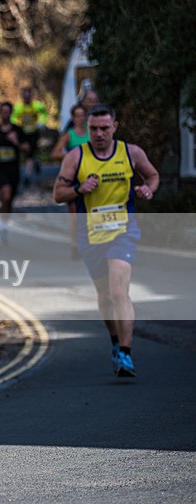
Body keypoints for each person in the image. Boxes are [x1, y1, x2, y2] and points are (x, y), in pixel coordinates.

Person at [53, 104, 159, 377]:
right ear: (87, 129)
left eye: (104, 128)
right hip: (91, 235)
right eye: (93, 129)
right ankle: (115, 342)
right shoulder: (76, 157)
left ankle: (125, 352)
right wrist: (79, 188)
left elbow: (153, 175)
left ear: (115, 127)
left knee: (118, 292)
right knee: (103, 296)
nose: (98, 134)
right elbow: (58, 194)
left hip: (123, 232)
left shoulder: (130, 153)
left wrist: (148, 189)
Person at [0, 102, 29, 244]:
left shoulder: (17, 130)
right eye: (3, 111)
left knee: (10, 199)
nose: (5, 114)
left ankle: (4, 222)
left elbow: (26, 149)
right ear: (0, 113)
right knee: (5, 193)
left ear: (11, 113)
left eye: (8, 111)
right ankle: (2, 225)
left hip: (13, 169)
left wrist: (16, 142)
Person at [52, 103, 90, 258]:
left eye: (83, 115)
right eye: (77, 115)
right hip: (73, 178)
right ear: (73, 118)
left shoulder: (92, 132)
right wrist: (72, 155)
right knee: (74, 214)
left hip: (90, 176)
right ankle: (75, 245)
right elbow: (55, 153)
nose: (80, 118)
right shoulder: (69, 135)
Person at [11, 87, 48, 182]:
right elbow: (13, 117)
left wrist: (41, 122)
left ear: (31, 96)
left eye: (28, 97)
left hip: (34, 132)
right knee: (26, 151)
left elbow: (44, 112)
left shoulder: (36, 105)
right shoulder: (19, 106)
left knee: (30, 153)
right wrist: (16, 126)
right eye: (25, 97)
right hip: (23, 133)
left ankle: (28, 175)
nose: (27, 99)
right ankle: (36, 161)